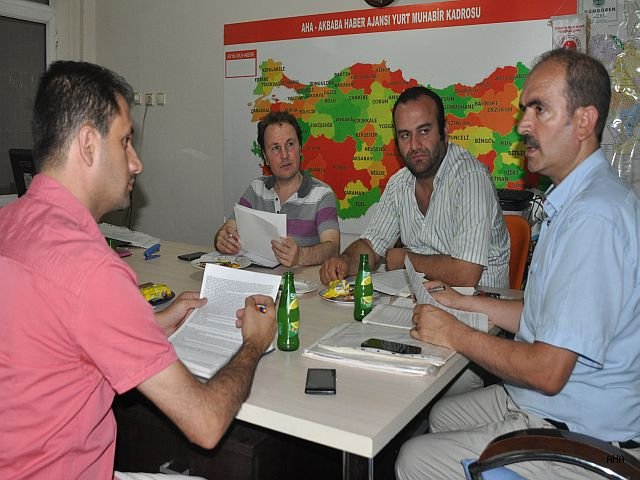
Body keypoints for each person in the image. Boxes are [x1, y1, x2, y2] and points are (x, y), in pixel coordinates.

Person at [0, 61, 277, 480]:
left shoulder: (9, 223)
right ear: (88, 144)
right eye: (126, 141)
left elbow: (46, 332)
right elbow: (205, 423)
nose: (136, 163)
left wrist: (151, 323)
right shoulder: (92, 270)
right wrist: (254, 344)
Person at [395, 49, 640, 480]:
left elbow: (547, 371)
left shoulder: (593, 219)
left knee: (413, 458)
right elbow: (549, 315)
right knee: (442, 414)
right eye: (525, 110)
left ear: (584, 122)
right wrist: (467, 303)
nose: (523, 125)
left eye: (539, 110)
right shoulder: (574, 201)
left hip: (587, 434)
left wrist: (454, 332)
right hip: (556, 405)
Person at [319, 86, 509, 289]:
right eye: (405, 135)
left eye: (424, 131)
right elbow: (371, 245)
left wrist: (405, 260)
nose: (415, 145)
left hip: (478, 302)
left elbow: (466, 274)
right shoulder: (399, 183)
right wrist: (346, 261)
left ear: (444, 131)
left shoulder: (471, 178)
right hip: (421, 299)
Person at [214, 111, 340, 267]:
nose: (284, 155)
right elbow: (227, 229)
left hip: (299, 280)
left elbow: (333, 248)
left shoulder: (322, 194)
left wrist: (301, 256)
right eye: (275, 148)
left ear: (300, 148)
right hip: (258, 277)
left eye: (290, 144)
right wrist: (222, 240)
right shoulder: (256, 189)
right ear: (265, 157)